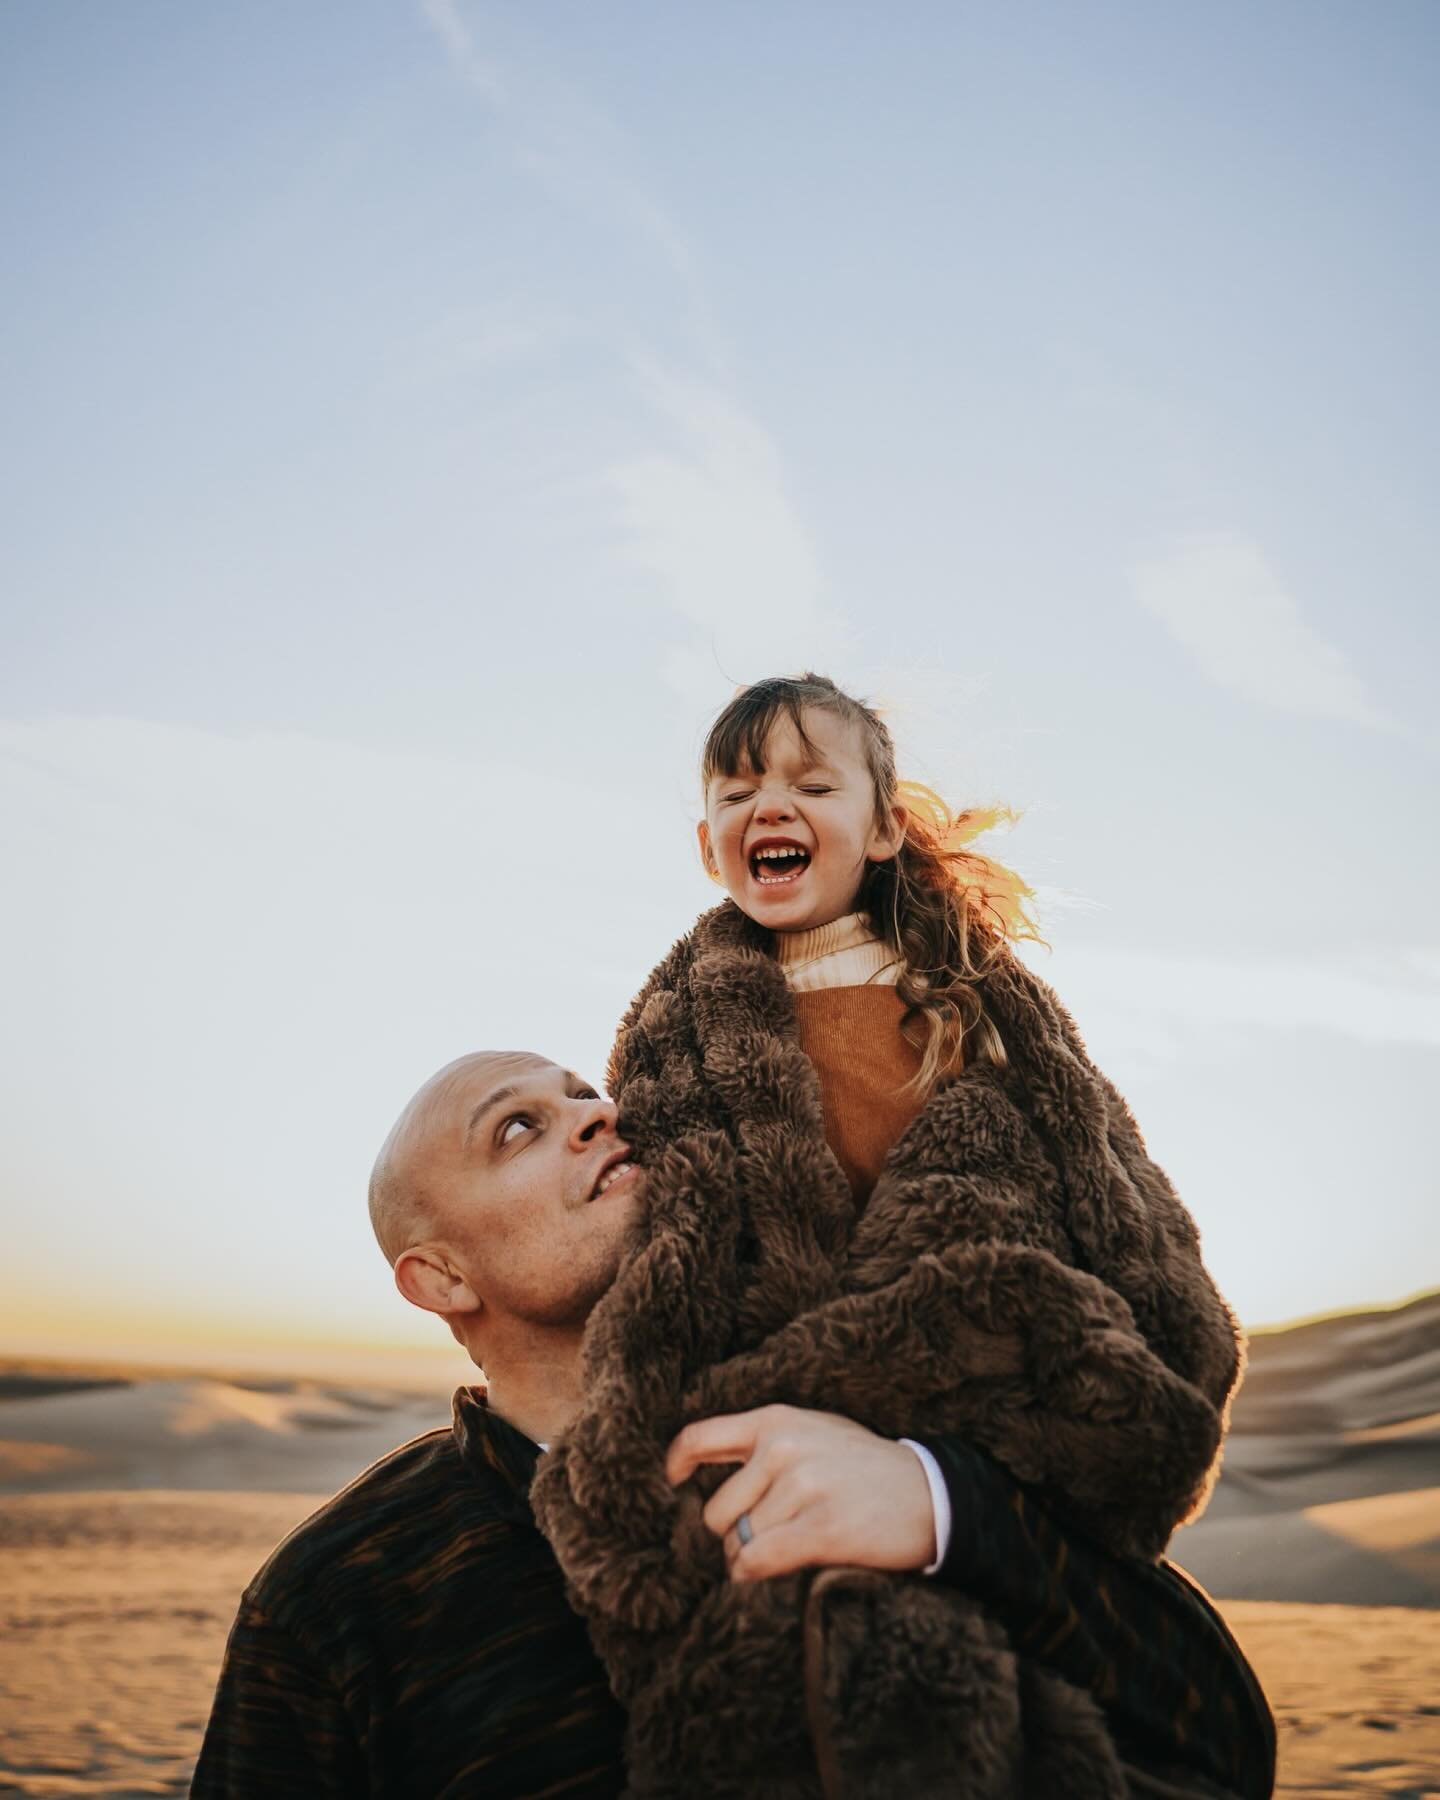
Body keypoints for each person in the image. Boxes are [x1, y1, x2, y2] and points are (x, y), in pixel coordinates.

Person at [532, 673, 1273, 1796]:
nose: (768, 806)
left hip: (963, 1432)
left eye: (811, 782)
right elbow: (677, 1248)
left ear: (880, 830)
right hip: (771, 1448)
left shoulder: (981, 1011)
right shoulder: (675, 1037)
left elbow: (1108, 1200)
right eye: (737, 791)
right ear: (706, 844)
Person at [193, 1050, 1273, 1798]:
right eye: (520, 1128)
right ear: (437, 1278)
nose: (594, 1115)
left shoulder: (850, 1432)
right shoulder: (340, 1597)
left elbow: (1224, 1736)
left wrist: (949, 1509)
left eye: (585, 1094)